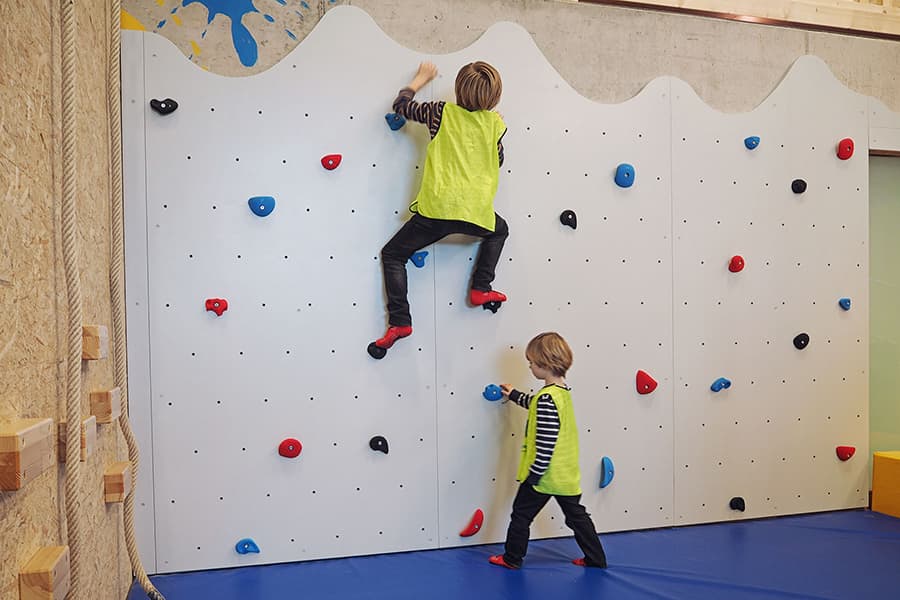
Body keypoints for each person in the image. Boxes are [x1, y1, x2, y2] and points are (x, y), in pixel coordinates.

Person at [372, 61, 509, 354]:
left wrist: (419, 79)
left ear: (459, 90)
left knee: (394, 254)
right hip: (476, 214)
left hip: (438, 211)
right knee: (500, 231)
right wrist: (492, 129)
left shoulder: (439, 112)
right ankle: (481, 286)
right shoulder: (496, 125)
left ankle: (400, 320)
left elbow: (402, 106)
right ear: (494, 97)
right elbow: (497, 162)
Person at [489, 332, 608, 569]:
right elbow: (534, 404)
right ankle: (596, 558)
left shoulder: (546, 399)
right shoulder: (561, 394)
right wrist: (513, 395)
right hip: (566, 475)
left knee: (521, 516)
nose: (530, 367)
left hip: (543, 475)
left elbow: (546, 441)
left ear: (545, 364)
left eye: (532, 363)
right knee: (577, 517)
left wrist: (535, 473)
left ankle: (512, 558)